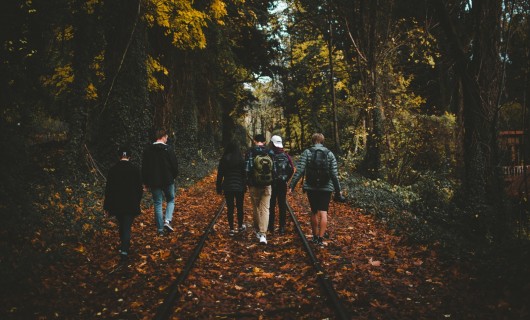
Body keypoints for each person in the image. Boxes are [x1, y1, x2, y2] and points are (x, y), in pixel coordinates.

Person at [289, 133, 346, 247]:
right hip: (326, 187)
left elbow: (300, 170)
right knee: (323, 213)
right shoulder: (330, 154)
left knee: (314, 211)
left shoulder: (307, 152)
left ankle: (314, 237)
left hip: (311, 186)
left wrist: (292, 185)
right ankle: (320, 239)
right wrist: (338, 190)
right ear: (323, 141)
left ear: (313, 140)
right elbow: (334, 174)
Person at [104, 146, 143, 258]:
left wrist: (107, 207)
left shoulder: (113, 170)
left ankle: (124, 246)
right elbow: (139, 189)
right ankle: (124, 249)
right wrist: (137, 201)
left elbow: (109, 190)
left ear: (119, 156)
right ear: (130, 156)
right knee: (126, 226)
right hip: (130, 203)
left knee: (122, 224)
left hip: (117, 204)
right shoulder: (135, 169)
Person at [142, 129, 179, 236]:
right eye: (166, 137)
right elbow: (174, 165)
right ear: (163, 137)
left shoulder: (148, 150)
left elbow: (144, 168)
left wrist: (145, 182)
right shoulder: (168, 149)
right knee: (171, 200)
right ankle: (167, 221)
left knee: (158, 203)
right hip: (168, 180)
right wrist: (173, 176)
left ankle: (160, 230)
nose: (167, 139)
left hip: (154, 182)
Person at [245, 133, 273, 244]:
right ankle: (263, 235)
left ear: (255, 141)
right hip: (267, 184)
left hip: (254, 184)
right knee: (265, 209)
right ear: (265, 142)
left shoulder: (250, 151)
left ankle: (257, 231)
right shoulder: (270, 151)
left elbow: (247, 169)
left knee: (256, 208)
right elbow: (274, 169)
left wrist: (248, 183)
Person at [216, 140, 247, 236]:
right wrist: (244, 185)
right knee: (240, 207)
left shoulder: (224, 159)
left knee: (230, 208)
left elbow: (220, 175)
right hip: (239, 187)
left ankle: (231, 229)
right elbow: (244, 174)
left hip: (228, 186)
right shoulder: (241, 159)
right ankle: (240, 226)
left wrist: (218, 187)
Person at [268, 135, 294, 235]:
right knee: (282, 205)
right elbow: (291, 169)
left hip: (272, 184)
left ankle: (271, 227)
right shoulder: (286, 156)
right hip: (282, 184)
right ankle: (282, 227)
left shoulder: (270, 155)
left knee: (271, 205)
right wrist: (286, 179)